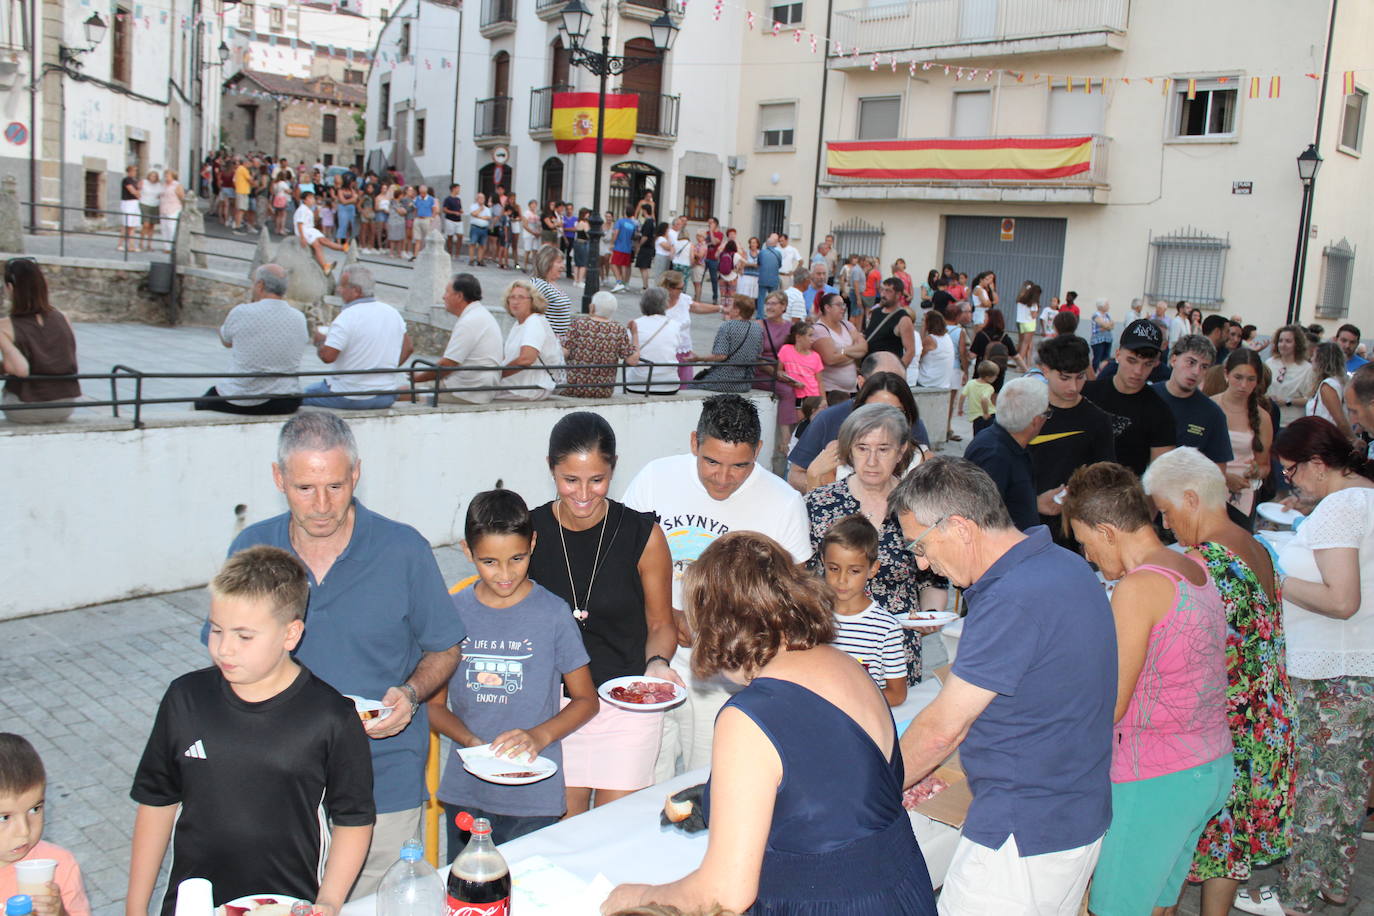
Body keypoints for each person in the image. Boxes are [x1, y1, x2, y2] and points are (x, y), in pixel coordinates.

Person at [602, 532, 938, 916]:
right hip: (902, 889)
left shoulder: (748, 715)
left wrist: (637, 896)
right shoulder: (846, 665)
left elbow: (724, 894)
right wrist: (716, 799)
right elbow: (830, 787)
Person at [226, 413, 463, 895]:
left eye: (335, 486)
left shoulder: (403, 550)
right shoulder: (252, 550)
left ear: (356, 474)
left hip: (385, 779)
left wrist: (411, 694)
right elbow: (227, 656)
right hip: (277, 781)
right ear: (278, 479)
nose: (321, 505)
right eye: (304, 488)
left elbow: (445, 646)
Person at [893, 457, 1116, 916]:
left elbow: (943, 729)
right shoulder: (1066, 567)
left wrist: (869, 791)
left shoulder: (1011, 599)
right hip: (1072, 813)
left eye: (920, 543)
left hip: (1024, 833)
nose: (920, 562)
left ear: (959, 526)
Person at [130, 546, 376, 916]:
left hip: (287, 903)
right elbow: (156, 803)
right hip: (193, 905)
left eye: (244, 637)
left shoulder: (332, 717)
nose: (224, 648)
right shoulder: (185, 698)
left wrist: (329, 900)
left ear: (291, 633)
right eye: (216, 630)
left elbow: (353, 819)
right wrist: (135, 907)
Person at [1060, 461, 1232, 916]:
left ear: (1108, 531)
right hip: (1208, 765)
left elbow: (1111, 704)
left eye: (1086, 542)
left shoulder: (1137, 589)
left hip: (1156, 777)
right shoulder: (1194, 566)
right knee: (1157, 903)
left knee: (1113, 907)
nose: (1089, 556)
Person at [1140, 448, 1296, 916]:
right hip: (1267, 721)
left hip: (1228, 730)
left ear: (1191, 499)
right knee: (1231, 845)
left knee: (1198, 842)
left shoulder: (1205, 563)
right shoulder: (1256, 544)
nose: (1166, 525)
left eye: (1166, 511)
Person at [623, 394, 811, 781]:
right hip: (651, 653)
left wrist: (718, 629)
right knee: (640, 775)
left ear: (759, 451)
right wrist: (665, 615)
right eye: (711, 461)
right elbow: (622, 562)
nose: (723, 478)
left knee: (707, 780)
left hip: (727, 672)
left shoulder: (784, 503)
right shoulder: (655, 478)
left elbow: (793, 603)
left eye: (740, 465)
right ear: (694, 442)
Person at [1236, 417, 1374, 916]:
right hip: (1355, 664)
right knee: (1347, 786)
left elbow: (1341, 601)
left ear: (1319, 464)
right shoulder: (1364, 496)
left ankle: (1296, 897)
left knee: (1316, 787)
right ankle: (1333, 882)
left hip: (1333, 669)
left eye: (1292, 469)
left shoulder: (1342, 506)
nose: (1289, 479)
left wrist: (1272, 573)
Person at [525, 414, 680, 815]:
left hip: (626, 705)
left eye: (597, 479)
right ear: (550, 469)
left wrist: (658, 663)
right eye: (569, 480)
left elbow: (661, 623)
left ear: (613, 469)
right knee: (562, 835)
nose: (583, 493)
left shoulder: (642, 534)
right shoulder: (530, 531)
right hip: (555, 710)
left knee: (615, 833)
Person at [427, 489, 598, 847]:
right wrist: (473, 745)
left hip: (534, 797)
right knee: (470, 897)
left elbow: (586, 700)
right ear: (466, 551)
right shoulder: (451, 612)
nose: (504, 574)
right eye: (489, 562)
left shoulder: (553, 614)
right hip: (467, 792)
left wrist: (538, 737)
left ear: (533, 543)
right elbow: (434, 706)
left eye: (516, 558)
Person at [805, 403, 946, 685]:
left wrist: (929, 616)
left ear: (901, 450)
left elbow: (932, 579)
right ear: (849, 450)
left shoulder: (919, 507)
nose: (871, 460)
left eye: (883, 449)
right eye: (862, 448)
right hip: (832, 643)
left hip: (896, 653)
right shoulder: (818, 504)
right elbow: (801, 578)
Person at [787, 355, 931, 492]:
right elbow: (800, 479)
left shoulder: (920, 457)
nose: (884, 421)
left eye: (895, 412)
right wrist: (814, 477)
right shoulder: (833, 445)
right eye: (874, 411)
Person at [1028, 334, 1116, 544]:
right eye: (1065, 378)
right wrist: (1033, 503)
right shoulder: (1024, 411)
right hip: (1020, 527)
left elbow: (1105, 482)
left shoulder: (1098, 421)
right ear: (1045, 370)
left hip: (1070, 534)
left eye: (1080, 377)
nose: (1073, 387)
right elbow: (998, 475)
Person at [818, 515, 908, 706]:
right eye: (834, 568)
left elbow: (897, 694)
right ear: (823, 561)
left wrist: (850, 701)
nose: (842, 580)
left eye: (854, 571)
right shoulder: (813, 618)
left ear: (873, 569)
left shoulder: (886, 628)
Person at [194, 264, 307, 415]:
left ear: (260, 285)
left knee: (201, 403)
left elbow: (227, 341)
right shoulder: (299, 317)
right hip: (286, 400)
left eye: (253, 282)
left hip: (243, 398)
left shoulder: (242, 312)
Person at [0, 734, 91, 916]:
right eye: (4, 818)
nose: (24, 831)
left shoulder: (58, 867)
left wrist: (60, 913)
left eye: (35, 809)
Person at [303, 267, 410, 409]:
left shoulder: (347, 316)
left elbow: (328, 357)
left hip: (348, 395)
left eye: (342, 286)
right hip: (385, 394)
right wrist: (386, 369)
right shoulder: (392, 313)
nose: (339, 290)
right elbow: (408, 348)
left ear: (356, 291)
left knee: (299, 396)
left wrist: (320, 341)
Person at [1083, 317, 1177, 475]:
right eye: (1132, 360)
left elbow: (1161, 477)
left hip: (1126, 496)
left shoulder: (1160, 412)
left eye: (1147, 364)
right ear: (1118, 355)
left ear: (1155, 363)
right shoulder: (1086, 393)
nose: (1138, 371)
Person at [0, 259, 80, 423]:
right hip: (65, 405)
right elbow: (66, 356)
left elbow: (21, 370)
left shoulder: (5, 326)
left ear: (10, 288)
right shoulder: (63, 317)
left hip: (26, 408)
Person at [963, 378, 1048, 532]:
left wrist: (1035, 504)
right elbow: (981, 518)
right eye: (1047, 413)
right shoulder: (994, 456)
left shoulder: (997, 442)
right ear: (1036, 421)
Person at [405, 272, 503, 405]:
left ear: (459, 296)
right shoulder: (480, 314)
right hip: (476, 386)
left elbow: (447, 365)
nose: (443, 296)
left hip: (467, 392)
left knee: (400, 392)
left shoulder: (470, 321)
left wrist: (417, 378)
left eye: (447, 292)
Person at [1209, 348, 1274, 528]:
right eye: (1238, 377)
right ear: (1226, 374)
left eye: (1250, 379)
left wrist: (1256, 472)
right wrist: (1224, 476)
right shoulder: (1209, 407)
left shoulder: (1262, 418)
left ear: (1257, 382)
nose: (1243, 385)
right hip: (1207, 491)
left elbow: (1264, 465)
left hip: (1241, 497)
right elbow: (1193, 456)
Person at [1153, 335, 1234, 472]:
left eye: (1204, 367)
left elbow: (1218, 469)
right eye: (1191, 362)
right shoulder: (1147, 396)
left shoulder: (1212, 414)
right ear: (1173, 359)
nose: (1196, 372)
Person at [496, 278, 564, 401]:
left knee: (475, 392)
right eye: (512, 297)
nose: (515, 302)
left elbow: (526, 359)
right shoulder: (519, 324)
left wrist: (496, 374)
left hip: (530, 388)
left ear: (533, 302)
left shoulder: (534, 322)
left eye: (521, 297)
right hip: (518, 385)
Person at [562, 290, 637, 398]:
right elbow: (632, 360)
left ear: (592, 307)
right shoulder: (618, 329)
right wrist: (634, 335)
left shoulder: (578, 324)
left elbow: (564, 352)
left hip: (574, 388)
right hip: (603, 390)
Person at [695, 295, 764, 394]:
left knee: (690, 386)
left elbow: (721, 355)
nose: (728, 309)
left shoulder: (727, 326)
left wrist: (698, 358)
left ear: (737, 311)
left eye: (731, 306)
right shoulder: (757, 328)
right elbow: (758, 354)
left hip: (722, 380)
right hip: (745, 382)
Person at [912, 308, 960, 442]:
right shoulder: (947, 337)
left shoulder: (930, 339)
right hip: (943, 381)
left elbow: (917, 355)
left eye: (924, 321)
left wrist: (922, 330)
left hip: (928, 381)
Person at [811, 291, 867, 404]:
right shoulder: (819, 329)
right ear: (827, 308)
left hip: (852, 391)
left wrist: (842, 351)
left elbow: (864, 348)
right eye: (839, 305)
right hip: (832, 392)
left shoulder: (847, 325)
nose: (843, 308)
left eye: (844, 305)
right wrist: (854, 354)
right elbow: (830, 359)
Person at [626, 287, 682, 395]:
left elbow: (628, 351)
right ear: (665, 304)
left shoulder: (635, 324)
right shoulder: (675, 325)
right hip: (668, 384)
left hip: (637, 384)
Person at [775, 319, 822, 443]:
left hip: (812, 395)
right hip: (797, 395)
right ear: (799, 337)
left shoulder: (815, 356)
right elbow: (779, 371)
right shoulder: (786, 349)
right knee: (797, 424)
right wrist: (791, 381)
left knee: (809, 426)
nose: (813, 339)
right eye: (810, 335)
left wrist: (823, 399)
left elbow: (820, 381)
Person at [1306, 341, 1356, 441]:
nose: (1311, 359)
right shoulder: (1340, 381)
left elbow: (1340, 420)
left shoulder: (1328, 385)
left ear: (1322, 360)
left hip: (1326, 440)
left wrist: (1353, 439)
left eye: (1314, 357)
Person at [294, 191, 350, 273]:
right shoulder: (302, 209)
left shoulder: (309, 210)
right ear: (304, 200)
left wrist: (317, 213)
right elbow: (299, 224)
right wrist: (302, 237)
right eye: (310, 198)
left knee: (324, 240)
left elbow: (314, 221)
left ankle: (343, 247)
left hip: (311, 230)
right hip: (305, 231)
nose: (313, 200)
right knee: (317, 246)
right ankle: (325, 266)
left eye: (313, 198)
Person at [865, 277, 915, 368]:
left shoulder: (903, 319)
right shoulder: (875, 312)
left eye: (888, 291)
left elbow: (910, 351)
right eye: (882, 290)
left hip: (886, 372)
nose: (883, 294)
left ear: (898, 294)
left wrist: (896, 372)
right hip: (869, 368)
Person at [528, 243, 574, 340]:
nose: (563, 266)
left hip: (558, 342)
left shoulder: (552, 284)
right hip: (548, 341)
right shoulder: (539, 284)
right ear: (547, 263)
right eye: (559, 262)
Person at [1265, 324, 1315, 411]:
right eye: (1280, 341)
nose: (1283, 345)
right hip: (1270, 417)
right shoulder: (1269, 363)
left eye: (1288, 341)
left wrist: (1288, 401)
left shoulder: (1307, 369)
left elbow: (1310, 399)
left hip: (1292, 420)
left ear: (1297, 344)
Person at [970, 307, 1016, 394]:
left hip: (982, 373)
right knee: (993, 401)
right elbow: (1015, 356)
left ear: (991, 320)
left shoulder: (981, 335)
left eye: (985, 318)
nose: (983, 320)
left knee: (978, 399)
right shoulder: (1005, 337)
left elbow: (972, 355)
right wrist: (1027, 371)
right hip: (998, 374)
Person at [961, 359, 998, 435]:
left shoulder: (970, 383)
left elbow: (962, 396)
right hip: (989, 415)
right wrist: (985, 413)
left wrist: (960, 408)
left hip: (976, 416)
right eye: (995, 376)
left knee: (977, 435)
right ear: (988, 377)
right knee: (989, 435)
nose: (996, 378)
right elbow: (984, 399)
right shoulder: (989, 387)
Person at [609, 206, 638, 292]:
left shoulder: (620, 222)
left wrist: (612, 243)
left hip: (619, 246)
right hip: (627, 247)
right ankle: (624, 284)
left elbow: (616, 233)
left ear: (625, 212)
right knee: (624, 266)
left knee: (613, 263)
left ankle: (619, 282)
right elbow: (634, 236)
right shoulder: (633, 224)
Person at [158, 169, 185, 246]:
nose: (166, 177)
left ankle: (173, 245)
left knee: (171, 227)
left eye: (168, 175)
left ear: (173, 176)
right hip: (163, 208)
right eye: (165, 175)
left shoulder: (177, 185)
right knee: (164, 227)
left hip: (173, 208)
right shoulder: (163, 185)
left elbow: (182, 197)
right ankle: (166, 247)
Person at [118, 164, 141, 252]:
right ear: (129, 171)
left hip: (134, 203)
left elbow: (138, 193)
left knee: (133, 225)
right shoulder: (126, 180)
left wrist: (138, 193)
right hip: (128, 203)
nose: (135, 172)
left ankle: (131, 245)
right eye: (133, 170)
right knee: (126, 225)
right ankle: (120, 244)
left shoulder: (134, 181)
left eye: (135, 171)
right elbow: (134, 192)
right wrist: (138, 193)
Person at [1090, 299, 1114, 370]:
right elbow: (1106, 325)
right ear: (1101, 306)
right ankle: (1094, 375)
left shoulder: (1107, 315)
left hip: (1108, 339)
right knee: (1097, 359)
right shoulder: (1096, 315)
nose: (1108, 306)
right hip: (1097, 340)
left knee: (1106, 359)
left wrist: (1106, 326)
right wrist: (1107, 326)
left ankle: (1103, 374)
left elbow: (1112, 325)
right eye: (1107, 305)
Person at [440, 183, 464, 257]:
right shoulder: (448, 199)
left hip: (458, 220)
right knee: (450, 236)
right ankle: (450, 253)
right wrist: (454, 212)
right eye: (458, 188)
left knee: (460, 236)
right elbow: (444, 209)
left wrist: (460, 211)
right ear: (454, 189)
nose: (459, 190)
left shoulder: (458, 199)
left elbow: (459, 208)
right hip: (450, 220)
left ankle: (457, 253)